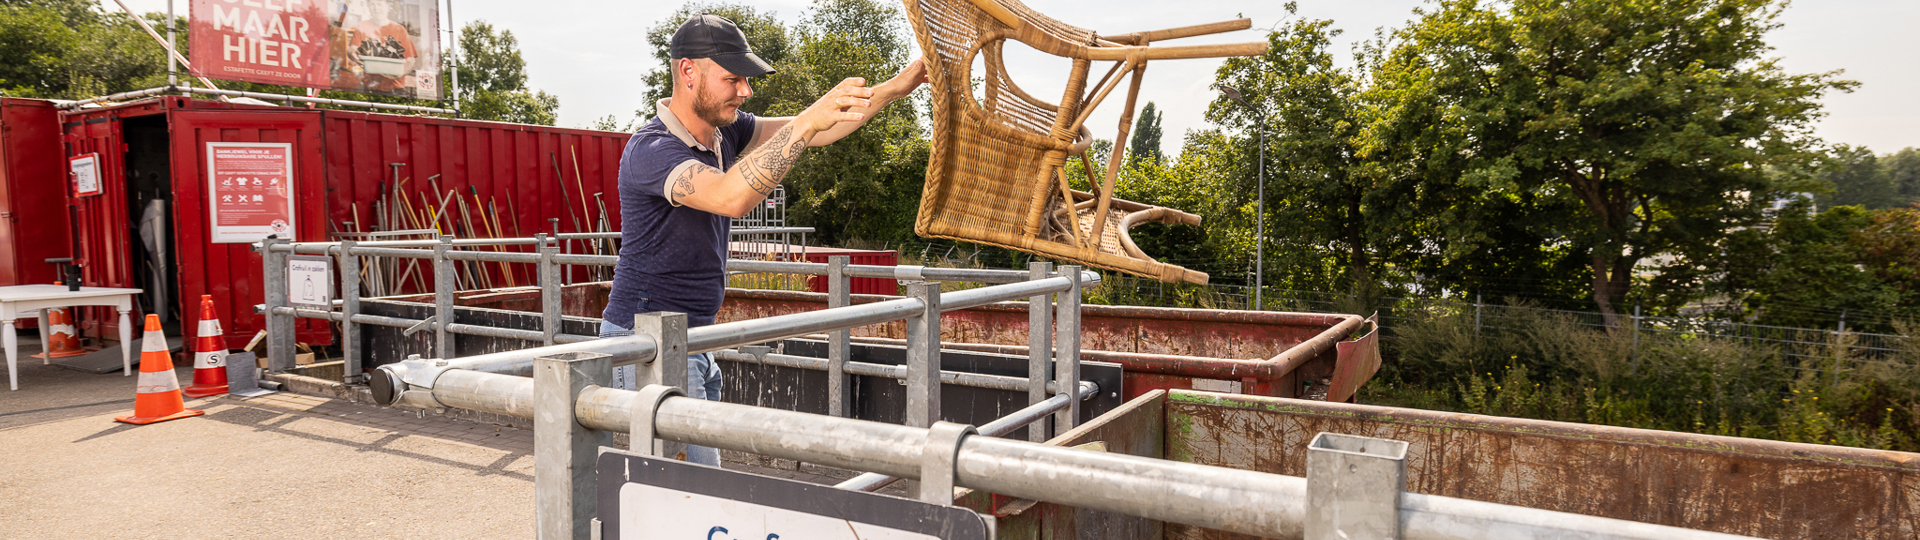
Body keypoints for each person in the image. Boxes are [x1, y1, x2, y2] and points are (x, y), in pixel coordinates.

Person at [598, 14, 926, 468]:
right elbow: (731, 196)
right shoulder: (651, 150)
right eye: (732, 79)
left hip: (694, 338)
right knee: (693, 491)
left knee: (677, 494)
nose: (745, 91)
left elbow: (819, 132)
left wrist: (896, 87)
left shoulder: (724, 132)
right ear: (688, 72)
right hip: (646, 343)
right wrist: (807, 121)